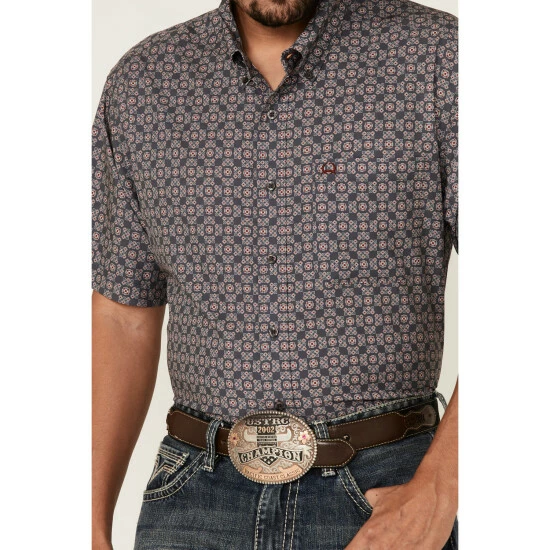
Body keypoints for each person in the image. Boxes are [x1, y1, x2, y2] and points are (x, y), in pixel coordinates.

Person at [92, 0, 458, 548]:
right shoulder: (144, 84)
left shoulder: (437, 58)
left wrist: (439, 488)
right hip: (193, 502)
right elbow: (123, 313)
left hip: (386, 493)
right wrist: (87, 517)